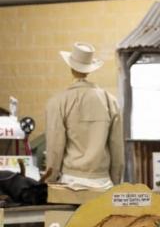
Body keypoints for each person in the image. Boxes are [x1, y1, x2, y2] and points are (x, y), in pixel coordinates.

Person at [45, 42, 124, 188]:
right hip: (103, 182)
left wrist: (50, 179)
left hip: (71, 182)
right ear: (90, 69)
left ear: (71, 67)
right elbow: (117, 147)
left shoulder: (57, 102)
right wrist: (115, 180)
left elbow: (55, 146)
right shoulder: (110, 101)